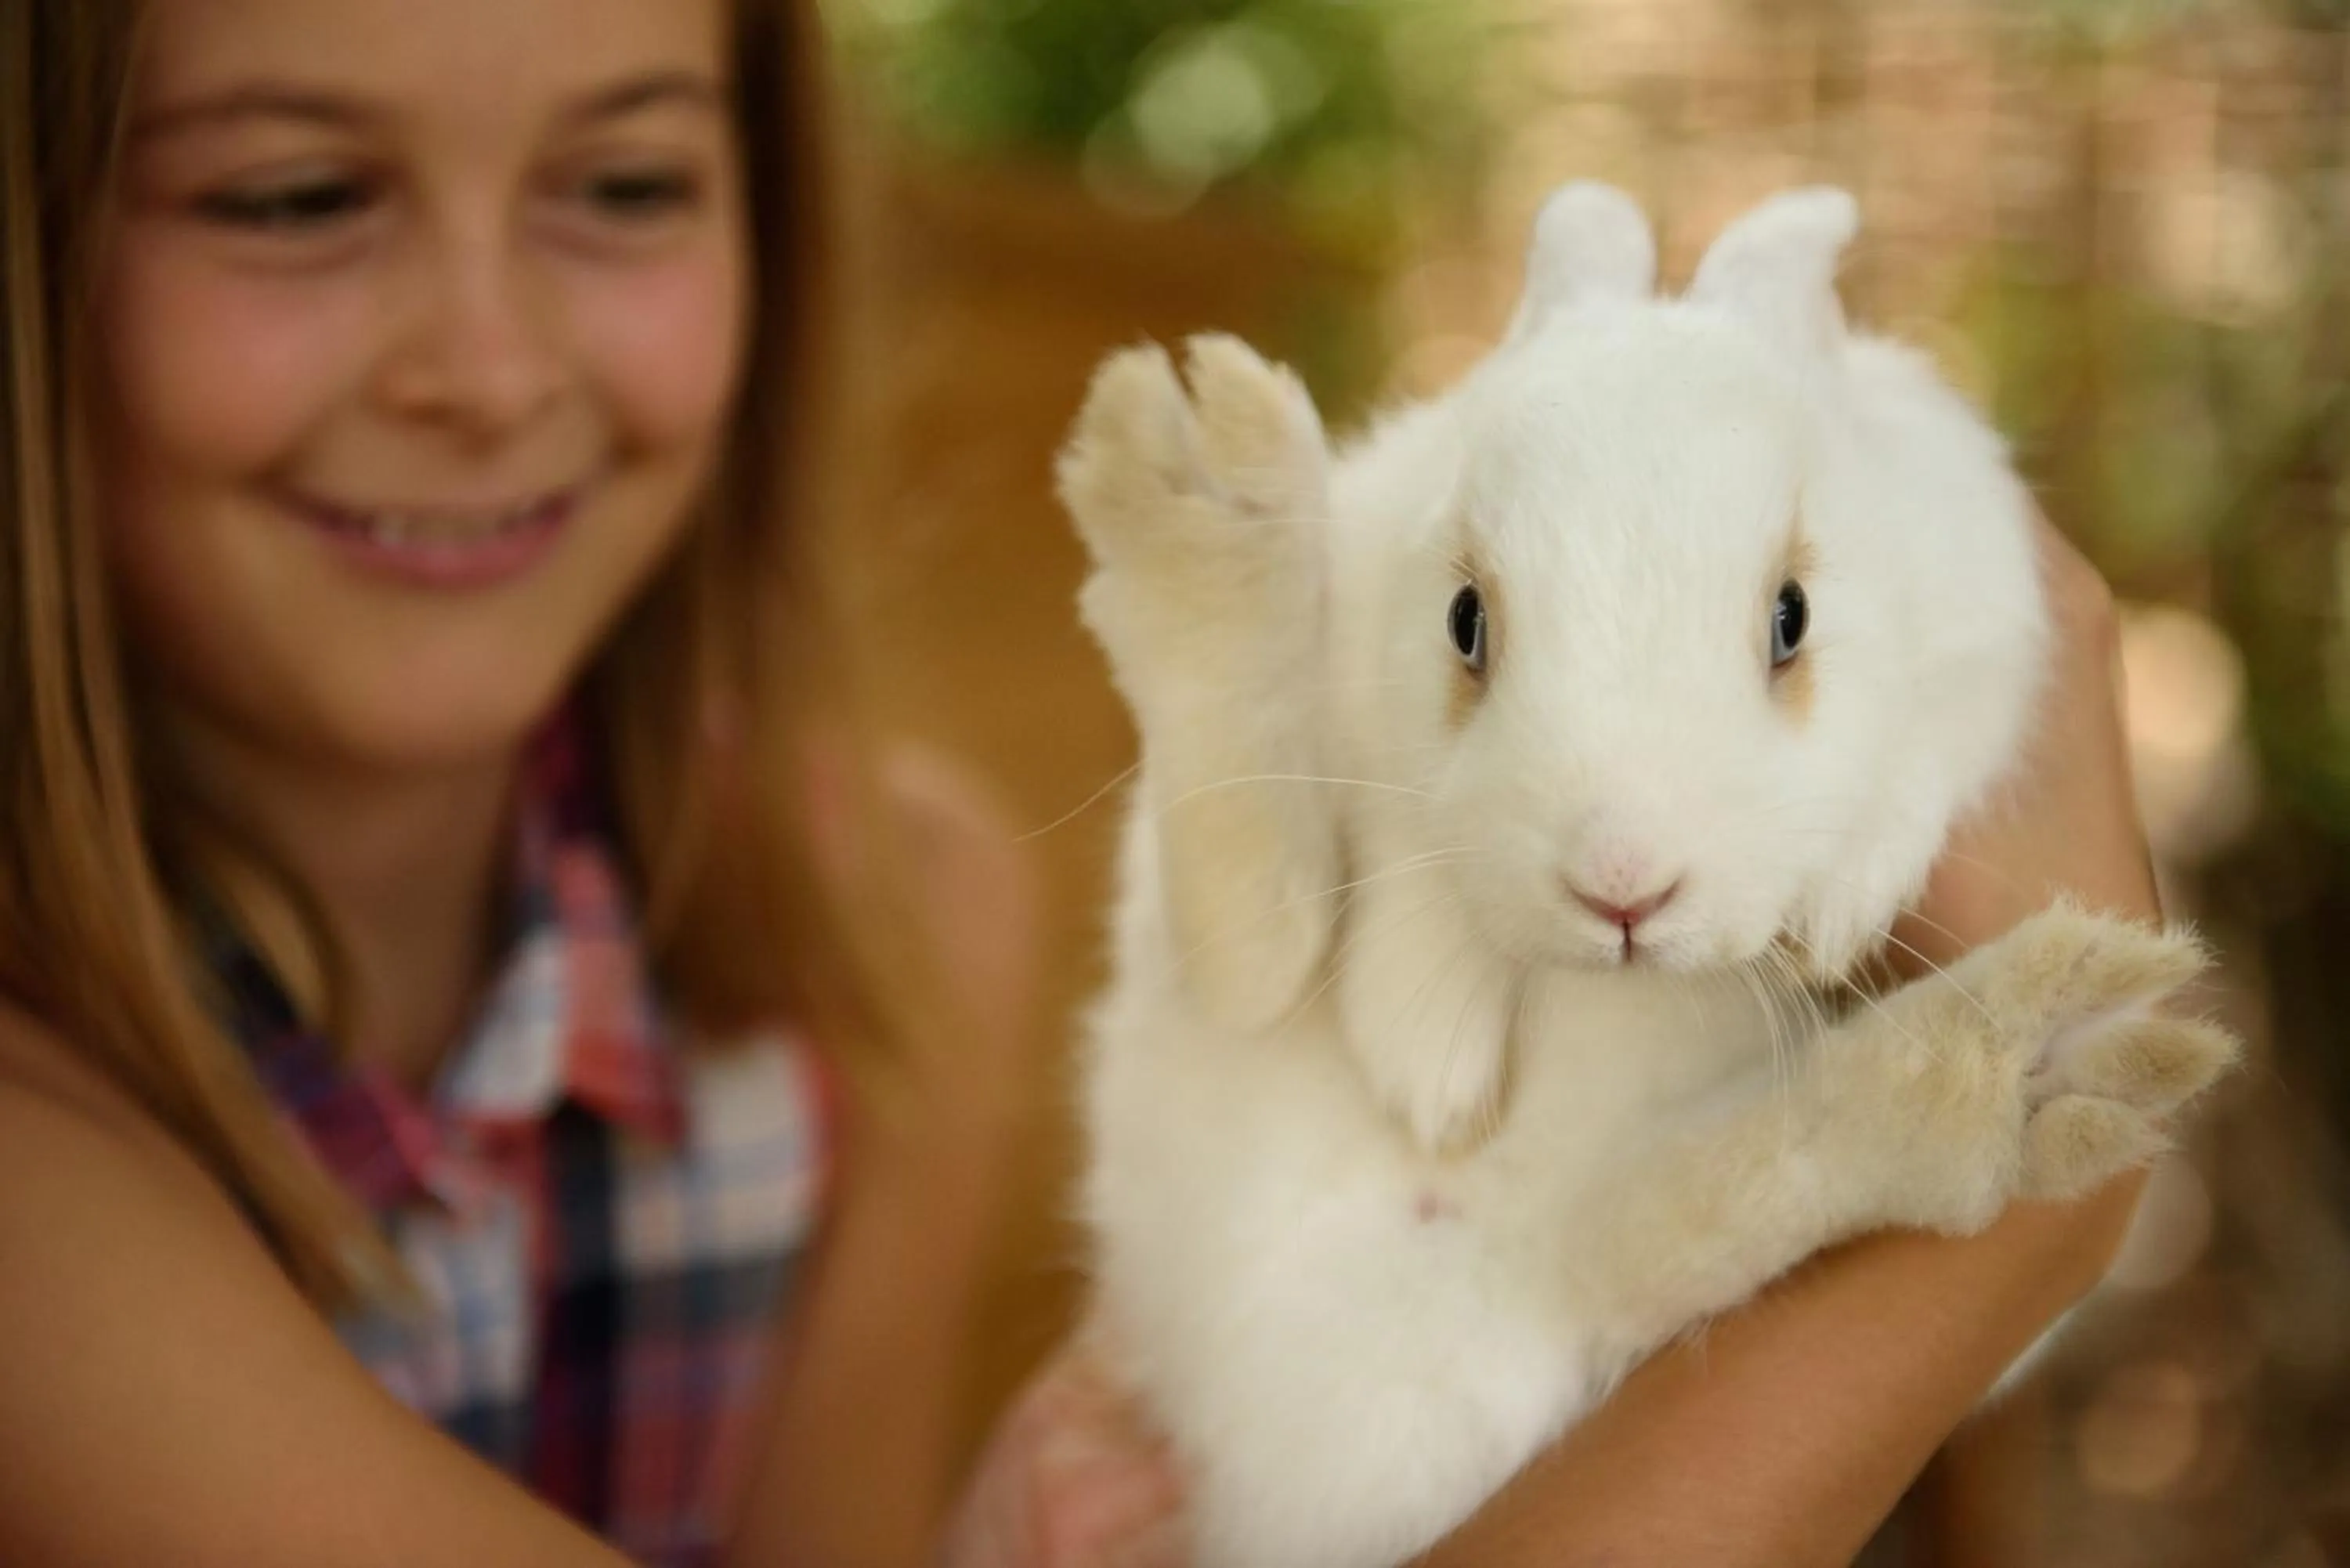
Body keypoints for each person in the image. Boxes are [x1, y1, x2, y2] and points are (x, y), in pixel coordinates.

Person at [0, 0, 2171, 1564]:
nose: (483, 367)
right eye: (292, 196)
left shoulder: (880, 920)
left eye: (626, 183)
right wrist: (2001, 1223)